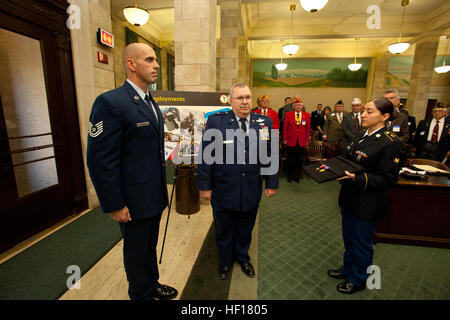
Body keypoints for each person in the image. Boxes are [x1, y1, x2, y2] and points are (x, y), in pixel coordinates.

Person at [86, 43, 177, 301]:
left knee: (148, 247)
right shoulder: (110, 102)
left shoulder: (150, 100)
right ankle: (141, 294)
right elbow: (99, 159)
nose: (157, 65)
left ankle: (152, 283)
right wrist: (114, 203)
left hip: (154, 195)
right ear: (131, 64)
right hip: (133, 200)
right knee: (136, 253)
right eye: (149, 60)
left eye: (156, 60)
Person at [197, 82, 278, 280]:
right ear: (231, 101)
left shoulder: (264, 122)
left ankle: (242, 257)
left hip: (251, 186)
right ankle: (225, 260)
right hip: (223, 187)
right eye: (240, 98)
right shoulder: (217, 122)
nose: (245, 102)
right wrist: (204, 187)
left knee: (245, 227)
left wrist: (272, 182)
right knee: (223, 228)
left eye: (248, 97)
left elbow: (270, 152)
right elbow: (206, 156)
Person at [327, 98, 405, 294]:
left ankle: (357, 279)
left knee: (362, 244)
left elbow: (388, 179)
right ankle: (347, 269)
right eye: (363, 111)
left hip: (367, 203)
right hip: (349, 198)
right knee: (349, 239)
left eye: (369, 111)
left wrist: (357, 178)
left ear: (385, 116)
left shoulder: (390, 143)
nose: (363, 114)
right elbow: (350, 160)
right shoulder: (361, 135)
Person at [282, 97, 311, 183]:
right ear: (294, 106)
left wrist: (306, 141)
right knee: (290, 159)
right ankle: (290, 176)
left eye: (300, 105)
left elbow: (308, 129)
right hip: (291, 140)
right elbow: (285, 128)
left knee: (299, 159)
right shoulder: (288, 114)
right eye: (296, 105)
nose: (298, 106)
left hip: (302, 141)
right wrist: (285, 139)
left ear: (302, 106)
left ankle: (297, 176)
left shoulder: (307, 115)